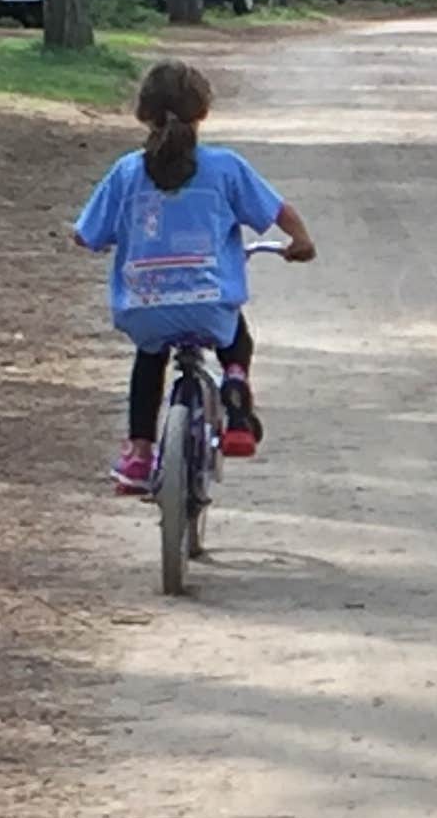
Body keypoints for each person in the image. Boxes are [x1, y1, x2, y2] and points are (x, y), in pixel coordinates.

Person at [74, 58, 316, 494]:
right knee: (233, 334)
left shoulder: (126, 173)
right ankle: (237, 396)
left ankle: (140, 455)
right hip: (208, 303)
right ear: (201, 110)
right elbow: (278, 211)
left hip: (145, 306)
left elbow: (88, 234)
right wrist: (300, 240)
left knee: (149, 362)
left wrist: (92, 236)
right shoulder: (224, 167)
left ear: (143, 112)